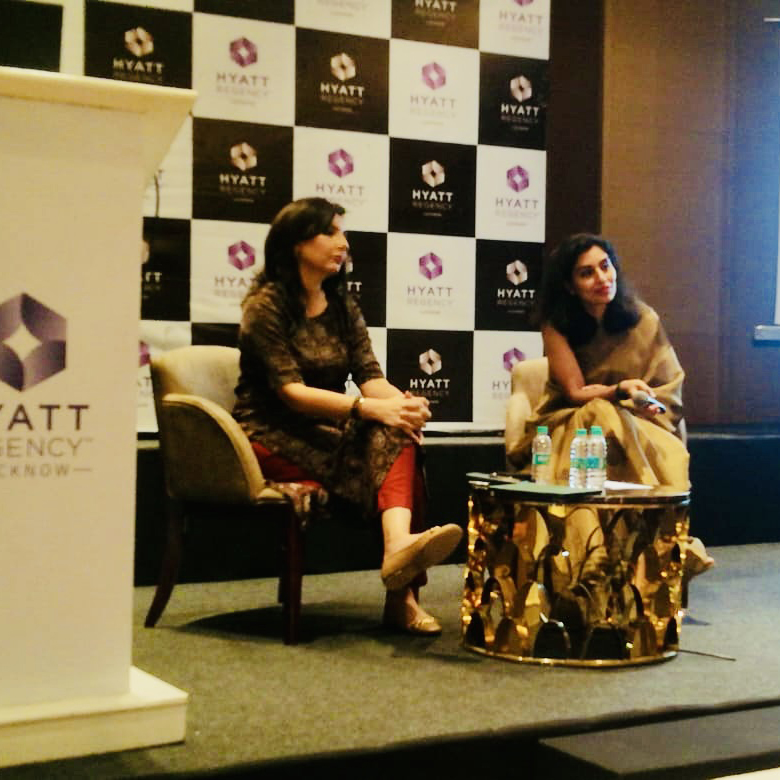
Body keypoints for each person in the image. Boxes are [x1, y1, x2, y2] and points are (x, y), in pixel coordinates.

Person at [232, 197, 462, 635]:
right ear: (297, 243)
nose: (344, 243)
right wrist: (372, 409)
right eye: (331, 232)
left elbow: (370, 376)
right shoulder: (265, 306)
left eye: (343, 233)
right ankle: (402, 589)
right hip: (268, 432)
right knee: (388, 451)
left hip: (326, 429)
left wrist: (403, 405)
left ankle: (398, 552)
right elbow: (291, 393)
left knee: (399, 434)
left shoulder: (342, 304)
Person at [507, 233, 713, 576]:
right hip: (570, 421)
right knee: (600, 413)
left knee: (647, 438)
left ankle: (663, 547)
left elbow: (668, 386)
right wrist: (619, 391)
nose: (602, 278)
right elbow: (575, 392)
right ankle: (600, 552)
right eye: (587, 273)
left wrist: (645, 403)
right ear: (570, 286)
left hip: (639, 421)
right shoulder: (557, 324)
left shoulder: (644, 319)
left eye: (606, 266)